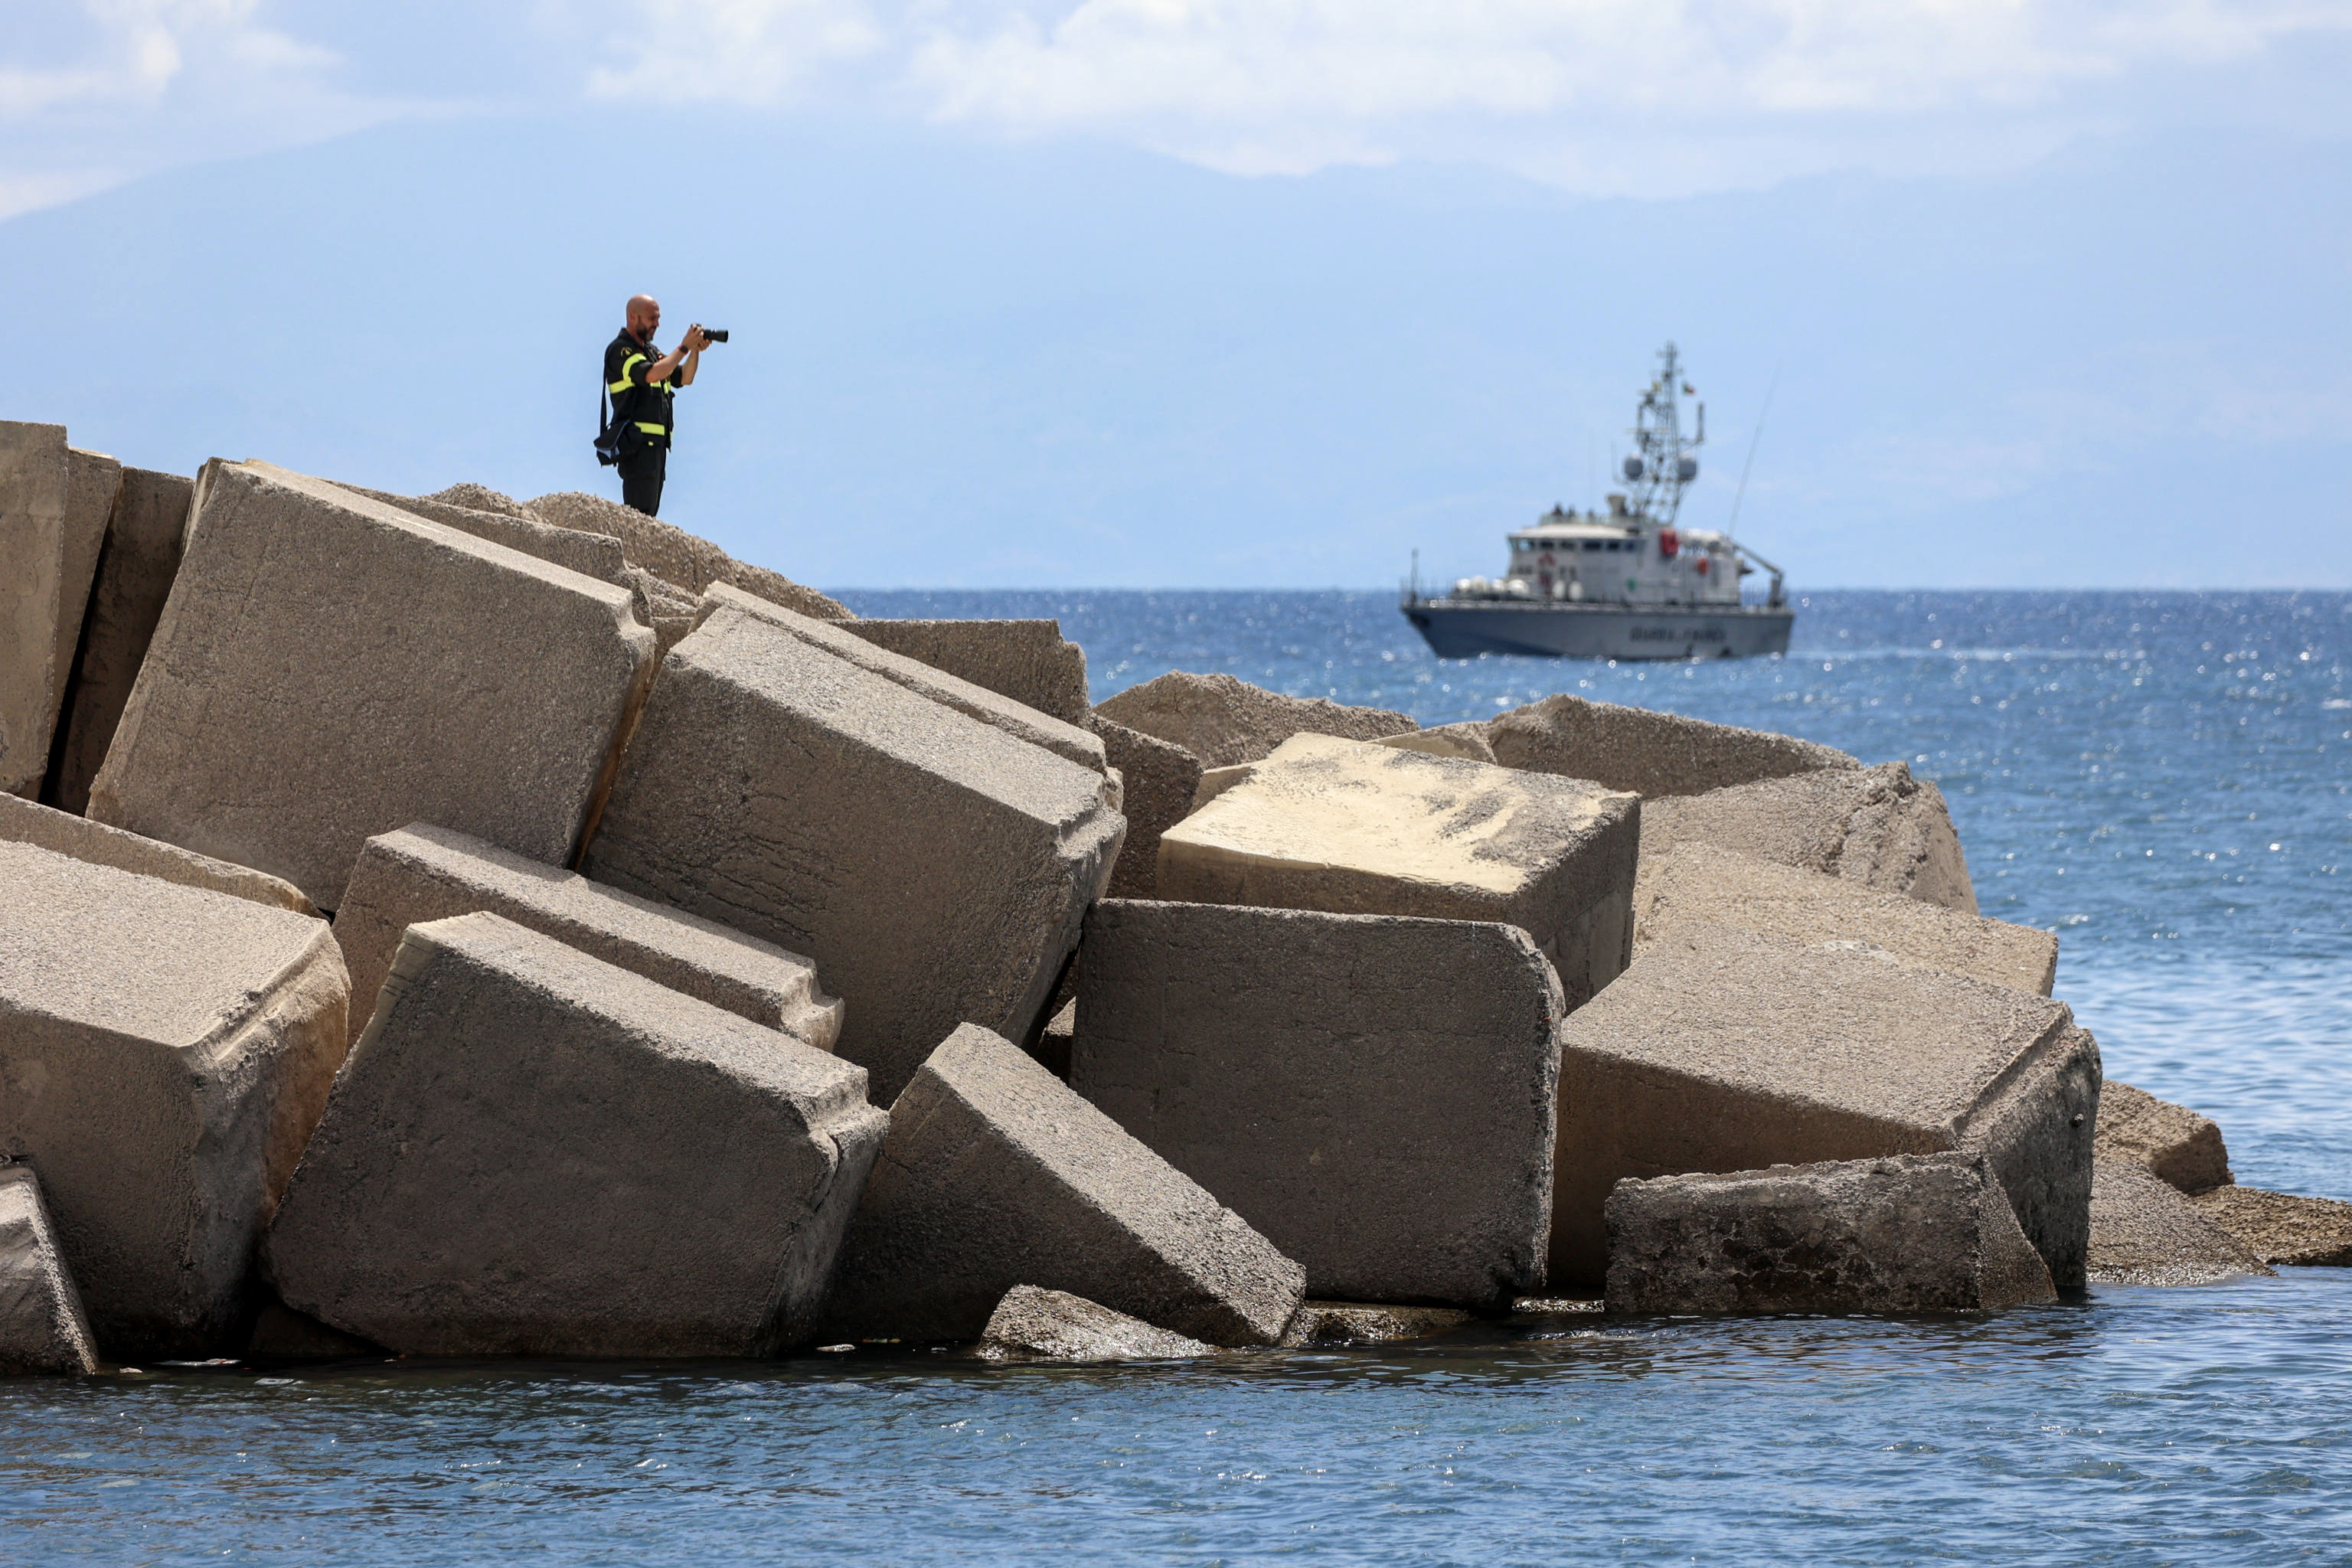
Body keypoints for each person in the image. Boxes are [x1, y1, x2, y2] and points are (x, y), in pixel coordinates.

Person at [603, 295, 711, 517]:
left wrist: (695, 351)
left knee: (649, 515)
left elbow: (684, 378)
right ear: (633, 317)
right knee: (640, 515)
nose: (657, 324)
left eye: (658, 318)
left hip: (656, 448)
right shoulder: (621, 350)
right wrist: (684, 347)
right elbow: (651, 374)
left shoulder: (651, 352)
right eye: (652, 318)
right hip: (638, 447)